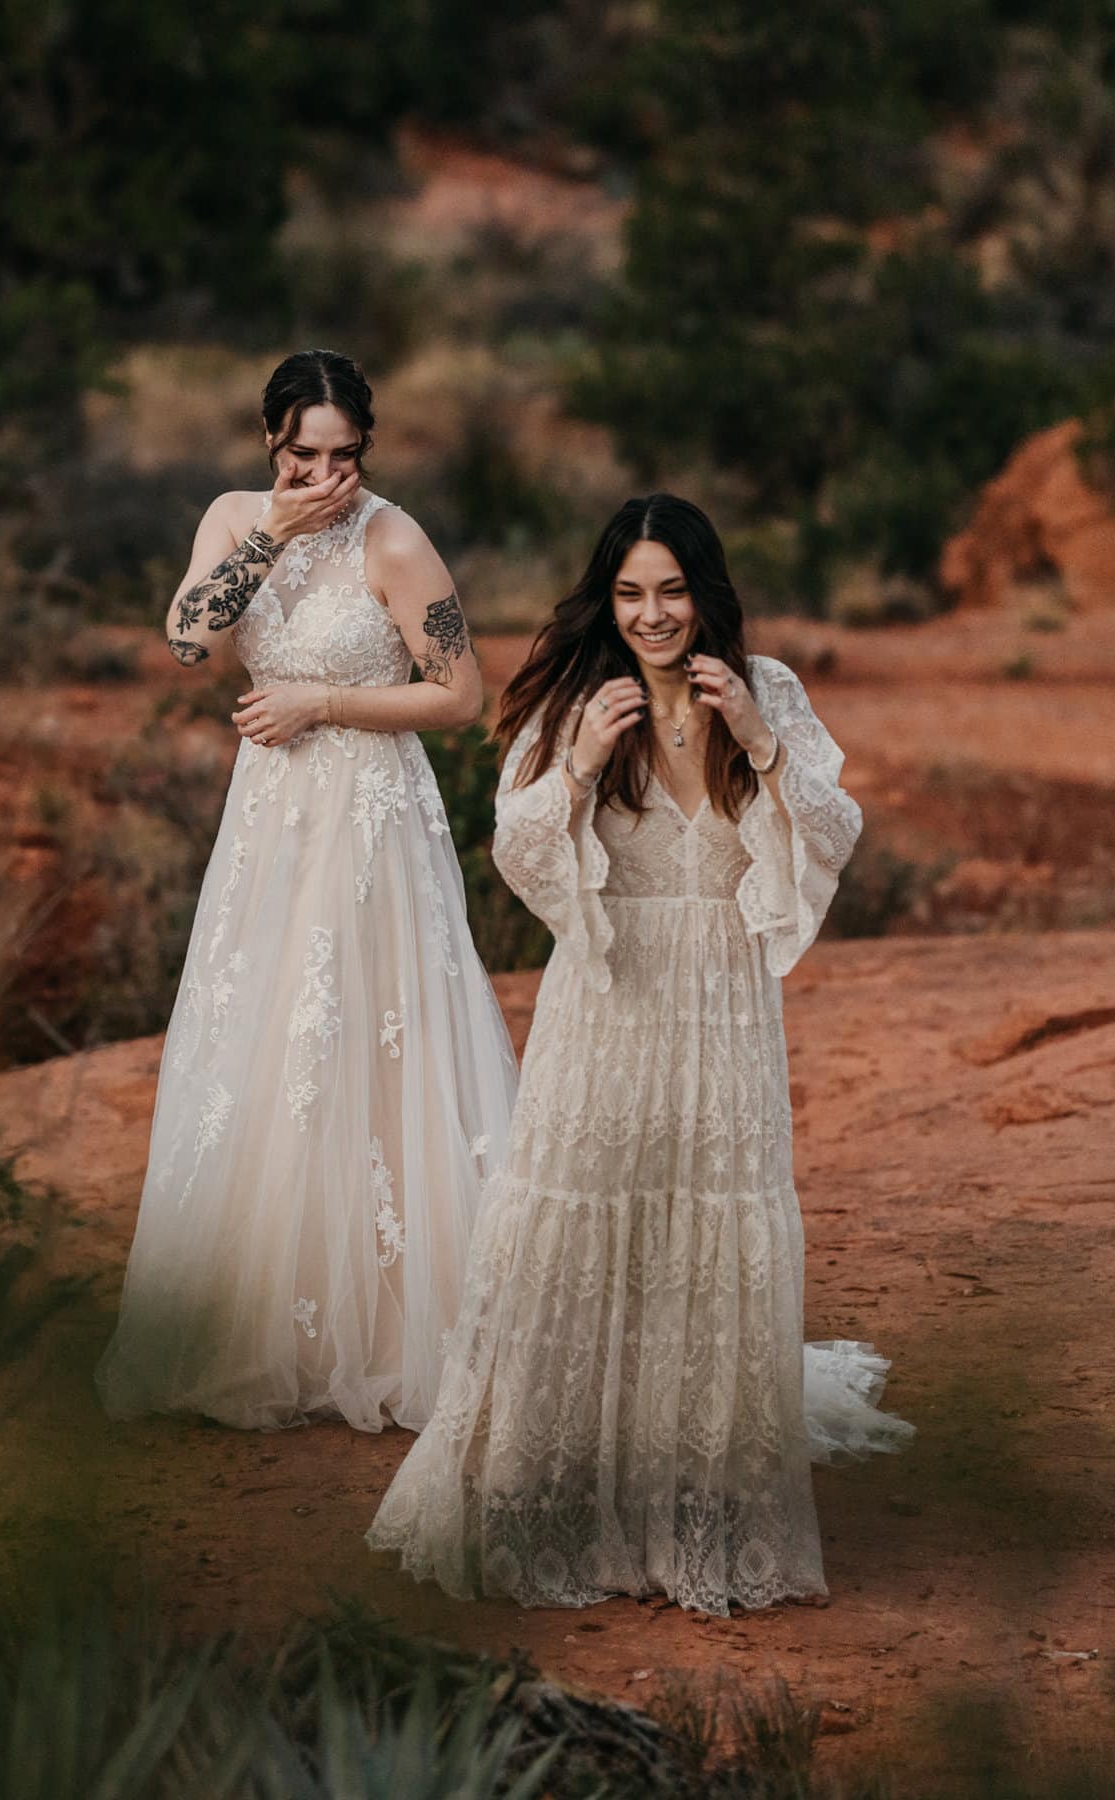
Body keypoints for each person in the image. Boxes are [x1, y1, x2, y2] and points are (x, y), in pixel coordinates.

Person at [367, 493, 911, 1613]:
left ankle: (699, 1507)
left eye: (671, 591)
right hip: (606, 1002)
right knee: (579, 1218)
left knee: (707, 1222)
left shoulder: (771, 692)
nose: (652, 614)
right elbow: (521, 853)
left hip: (721, 1002)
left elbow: (832, 834)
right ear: (605, 600)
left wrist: (756, 741)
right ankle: (552, 1499)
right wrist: (573, 768)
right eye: (629, 593)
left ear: (705, 594)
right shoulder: (579, 695)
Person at [95, 349, 518, 1434]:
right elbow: (191, 643)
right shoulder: (237, 516)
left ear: (363, 450)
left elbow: (461, 695)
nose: (323, 474)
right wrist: (273, 535)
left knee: (374, 1042)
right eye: (301, 454)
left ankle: (396, 1327)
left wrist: (323, 700)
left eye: (342, 456)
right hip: (271, 821)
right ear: (270, 444)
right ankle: (274, 1328)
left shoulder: (397, 538)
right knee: (269, 1036)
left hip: (370, 815)